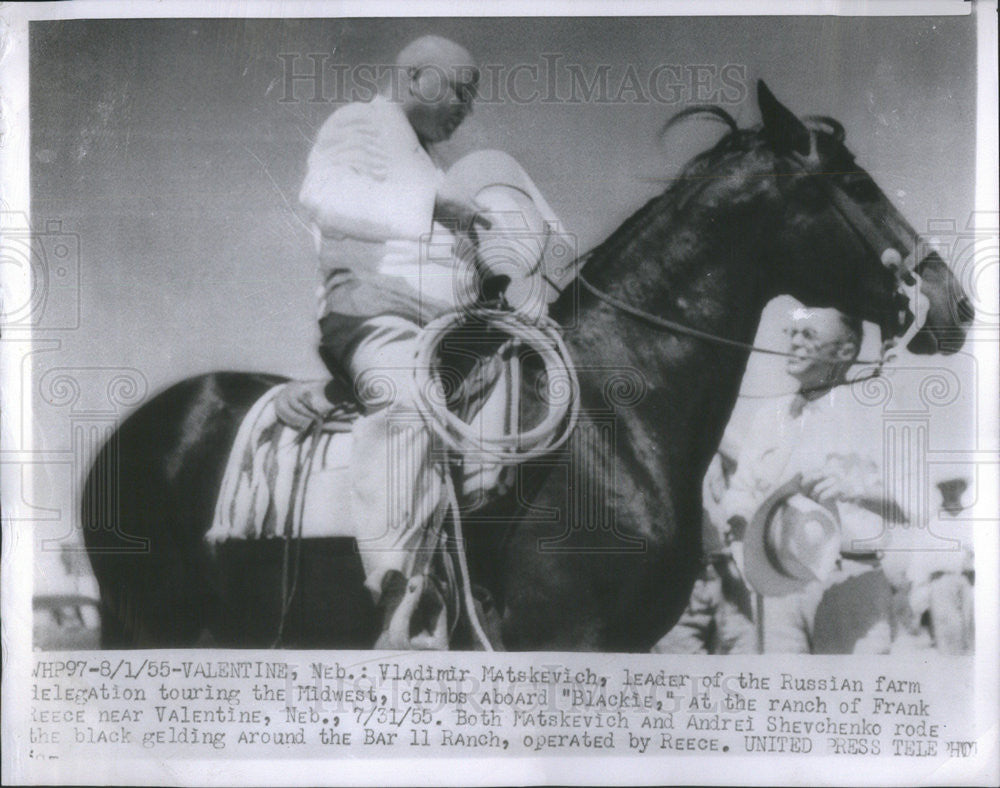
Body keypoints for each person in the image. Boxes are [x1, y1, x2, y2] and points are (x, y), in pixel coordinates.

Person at [274, 36, 570, 647]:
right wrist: (434, 203)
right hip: (375, 310)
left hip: (446, 324)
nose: (467, 107)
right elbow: (323, 196)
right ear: (417, 79)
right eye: (461, 89)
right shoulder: (362, 124)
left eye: (472, 94)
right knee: (406, 400)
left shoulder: (433, 165)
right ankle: (401, 598)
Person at [723, 306, 907, 654]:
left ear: (845, 351)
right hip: (777, 589)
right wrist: (743, 523)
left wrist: (860, 493)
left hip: (851, 583)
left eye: (807, 335)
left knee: (855, 703)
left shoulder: (875, 412)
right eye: (790, 334)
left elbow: (916, 504)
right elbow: (740, 493)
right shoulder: (767, 417)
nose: (793, 343)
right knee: (783, 702)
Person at [653, 442, 755, 654]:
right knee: (685, 677)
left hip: (730, 578)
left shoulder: (720, 443)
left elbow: (756, 465)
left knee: (748, 669)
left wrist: (714, 440)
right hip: (680, 584)